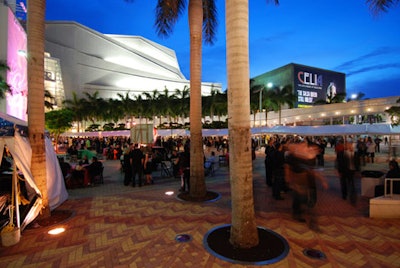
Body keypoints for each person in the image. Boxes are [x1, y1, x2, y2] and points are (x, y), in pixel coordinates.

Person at [285, 141, 328, 227]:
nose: (304, 147)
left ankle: (300, 211)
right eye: (302, 145)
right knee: (299, 196)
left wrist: (322, 179)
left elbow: (311, 169)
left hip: (304, 178)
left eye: (305, 145)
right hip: (297, 178)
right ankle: (297, 213)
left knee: (302, 196)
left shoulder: (305, 156)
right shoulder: (292, 155)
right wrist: (288, 178)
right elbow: (288, 167)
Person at [336, 139, 356, 204]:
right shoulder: (341, 153)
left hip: (352, 171)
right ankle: (344, 195)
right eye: (347, 144)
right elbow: (338, 163)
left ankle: (352, 197)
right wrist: (339, 171)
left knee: (352, 184)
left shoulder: (355, 153)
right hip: (344, 171)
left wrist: (358, 170)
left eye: (350, 144)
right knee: (344, 184)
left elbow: (357, 162)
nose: (349, 146)